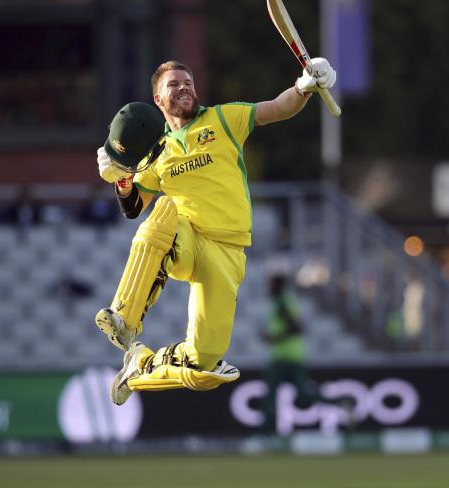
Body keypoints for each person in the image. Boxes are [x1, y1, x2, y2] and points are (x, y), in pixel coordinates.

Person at [93, 58, 337, 405]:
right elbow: (134, 207)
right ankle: (125, 316)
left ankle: (138, 367)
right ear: (158, 100)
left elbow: (279, 108)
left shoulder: (223, 118)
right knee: (164, 210)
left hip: (228, 254)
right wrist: (121, 177)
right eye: (174, 84)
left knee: (204, 367)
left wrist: (304, 87)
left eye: (188, 82)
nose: (185, 87)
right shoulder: (157, 150)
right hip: (187, 239)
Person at [260, 272, 351, 434]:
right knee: (300, 394)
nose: (269, 288)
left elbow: (297, 328)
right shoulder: (285, 302)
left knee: (271, 396)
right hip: (293, 356)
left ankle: (265, 433)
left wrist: (274, 338)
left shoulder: (281, 303)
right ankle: (340, 403)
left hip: (284, 357)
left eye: (272, 285)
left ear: (278, 286)